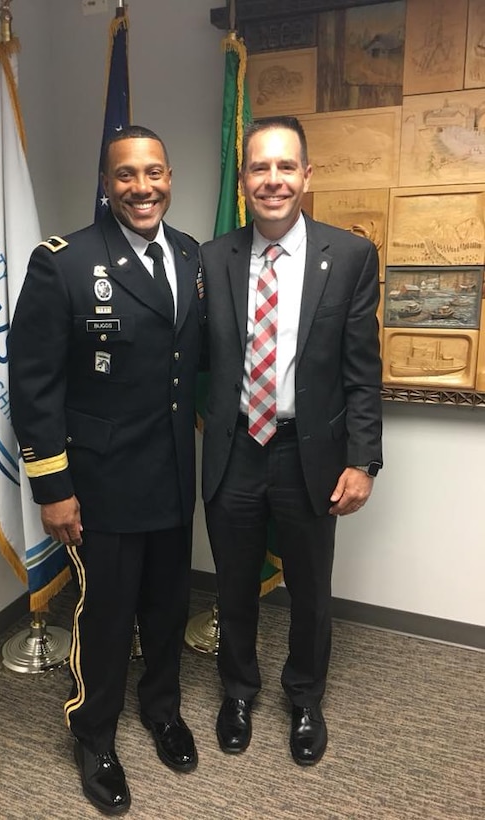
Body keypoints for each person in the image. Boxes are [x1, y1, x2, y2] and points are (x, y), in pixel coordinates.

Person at [8, 125, 204, 816]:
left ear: (169, 177)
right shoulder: (62, 262)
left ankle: (161, 710)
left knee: (166, 605)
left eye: (153, 172)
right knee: (107, 617)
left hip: (173, 474)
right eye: (126, 175)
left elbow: (190, 369)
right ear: (106, 182)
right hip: (101, 482)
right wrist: (52, 488)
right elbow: (33, 389)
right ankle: (92, 735)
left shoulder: (189, 255)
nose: (141, 186)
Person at [199, 116, 383, 767]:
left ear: (306, 175)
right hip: (233, 453)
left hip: (309, 456)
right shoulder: (211, 257)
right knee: (233, 585)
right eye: (258, 168)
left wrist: (361, 461)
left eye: (284, 167)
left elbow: (362, 371)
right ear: (244, 179)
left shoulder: (350, 256)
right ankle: (238, 692)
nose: (271, 180)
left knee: (309, 588)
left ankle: (304, 699)